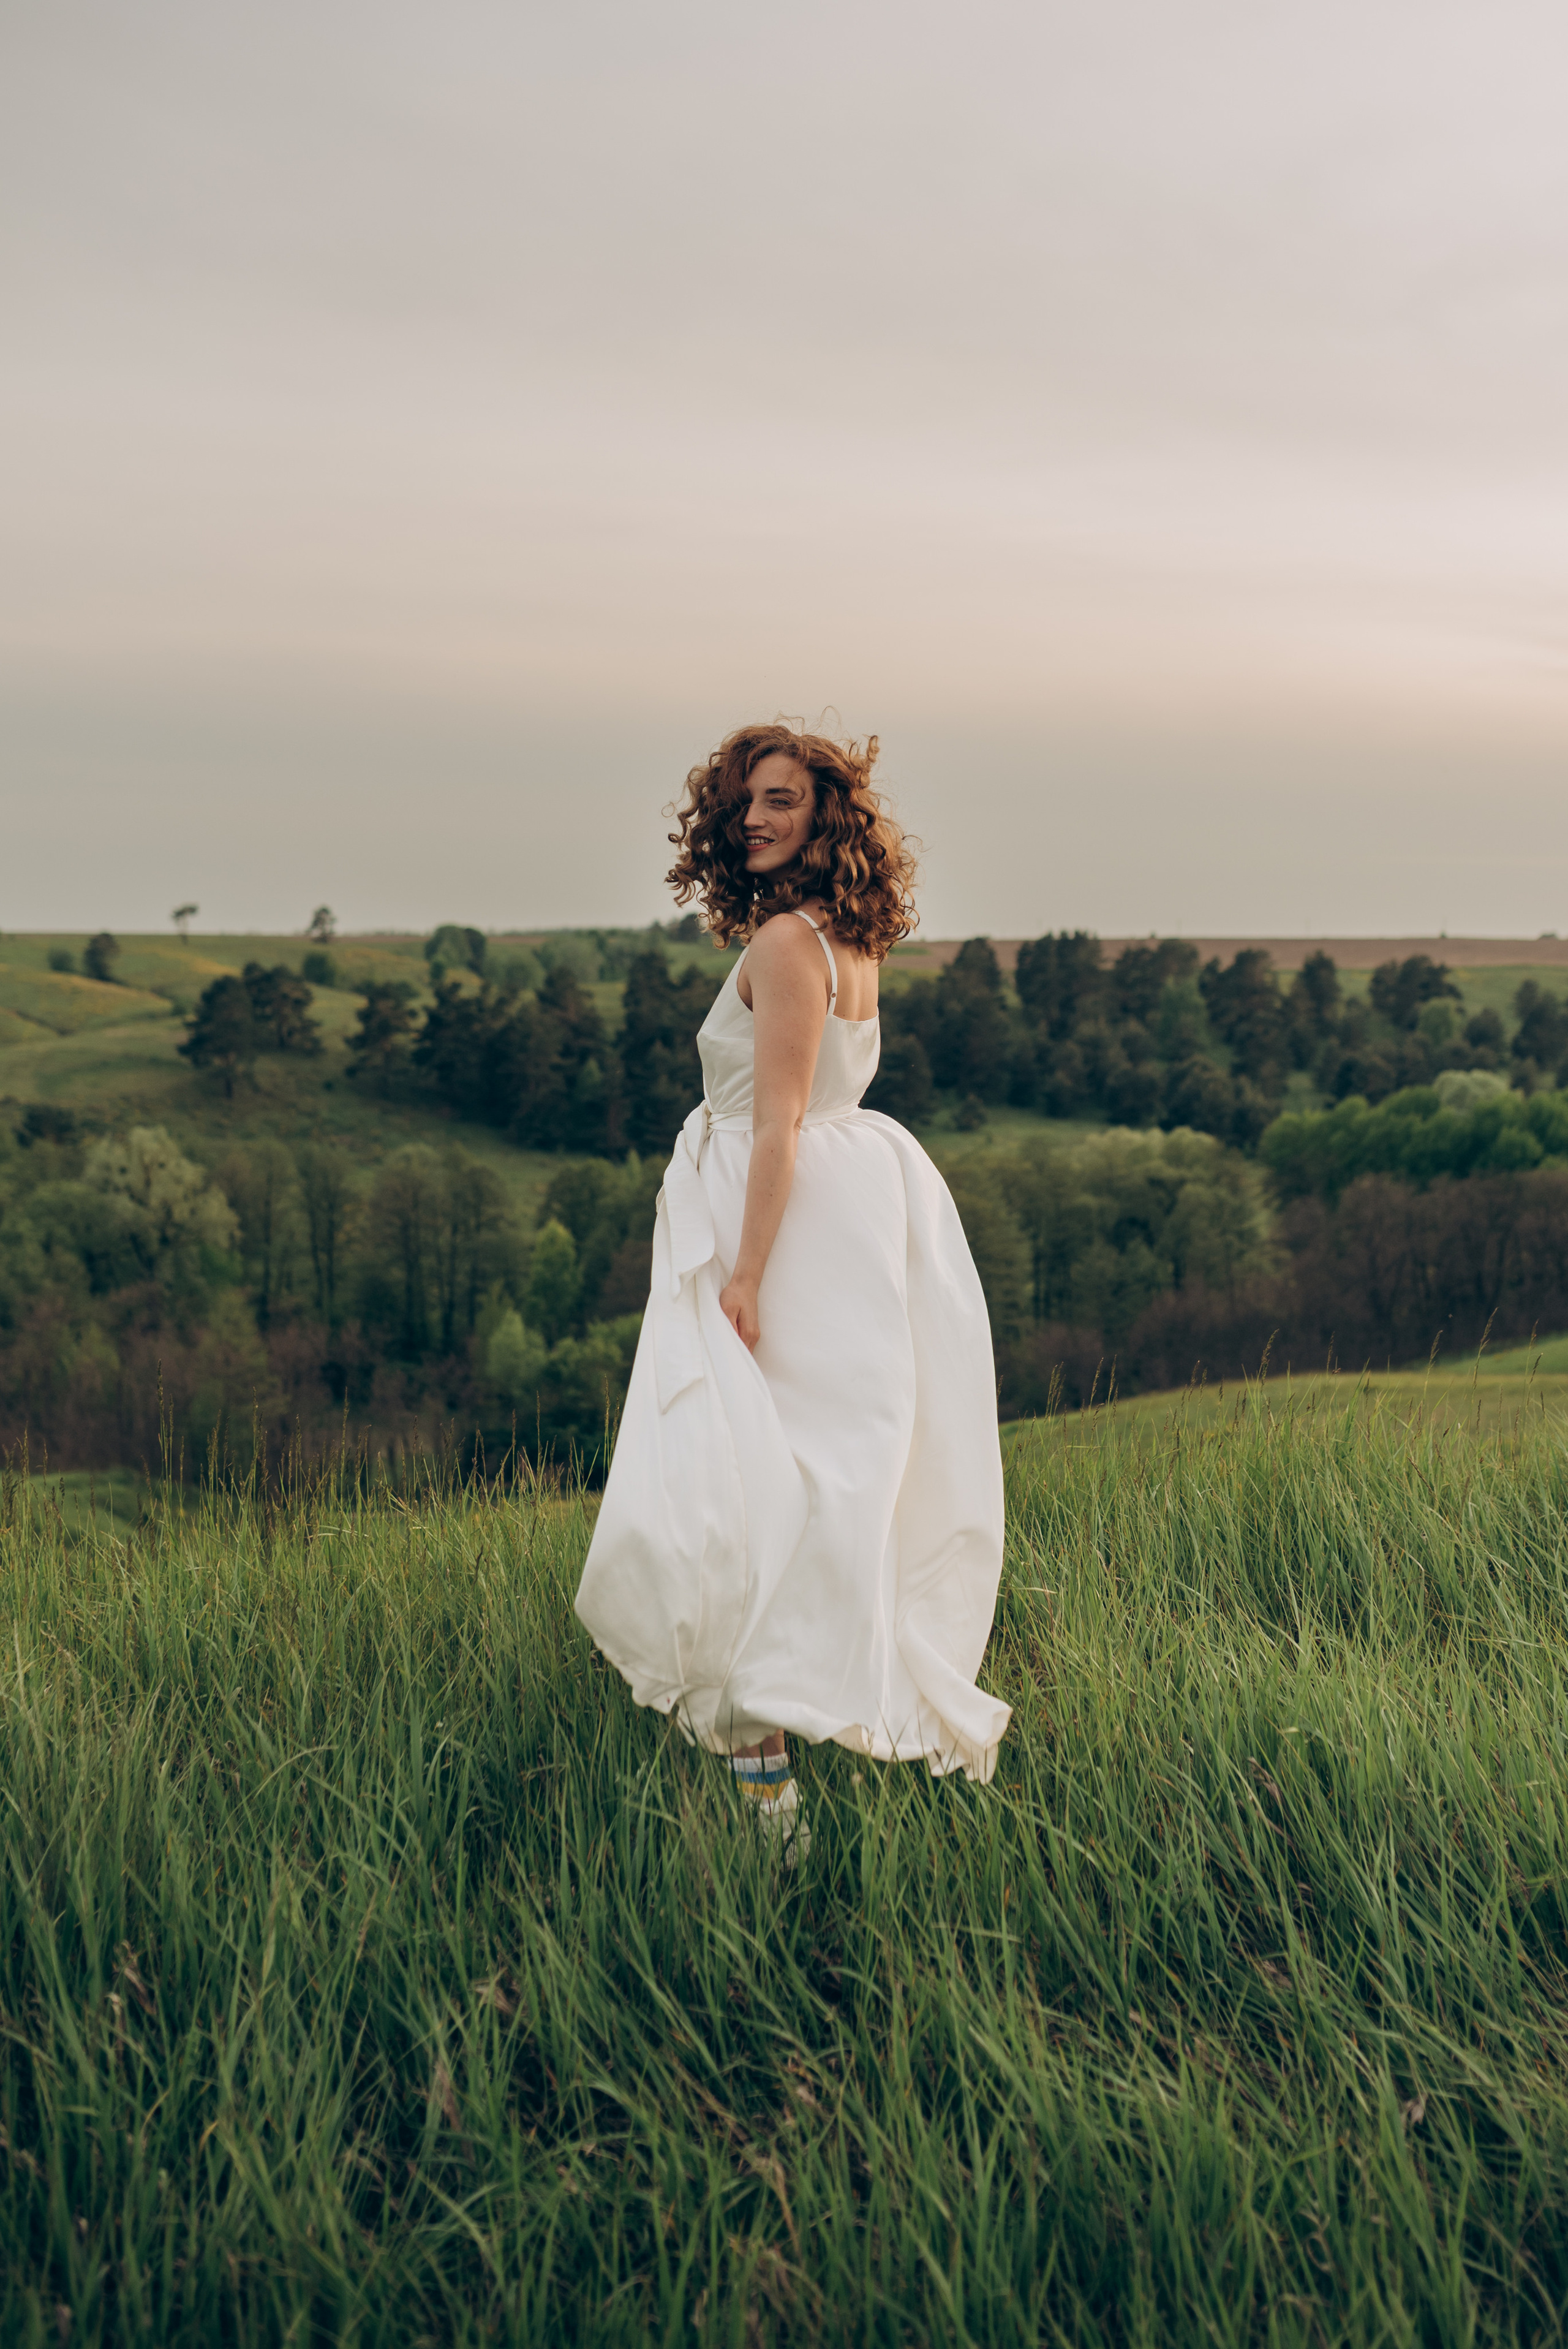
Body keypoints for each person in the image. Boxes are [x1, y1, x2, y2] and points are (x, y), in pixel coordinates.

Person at [574, 722, 1010, 1854]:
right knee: (809, 1479)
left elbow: (775, 1128)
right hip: (849, 1208)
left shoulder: (782, 943)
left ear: (827, 815)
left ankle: (769, 1790)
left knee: (734, 1483)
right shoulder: (847, 937)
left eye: (781, 800)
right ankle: (788, 1739)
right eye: (744, 803)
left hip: (782, 1223)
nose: (756, 818)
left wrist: (749, 1274)